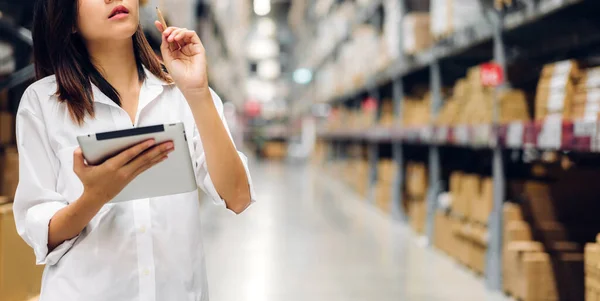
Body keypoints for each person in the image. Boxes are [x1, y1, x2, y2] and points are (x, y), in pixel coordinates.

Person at [13, 0, 256, 300]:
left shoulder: (180, 93)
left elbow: (238, 196)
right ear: (68, 19)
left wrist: (198, 92)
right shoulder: (44, 103)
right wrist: (94, 197)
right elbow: (41, 231)